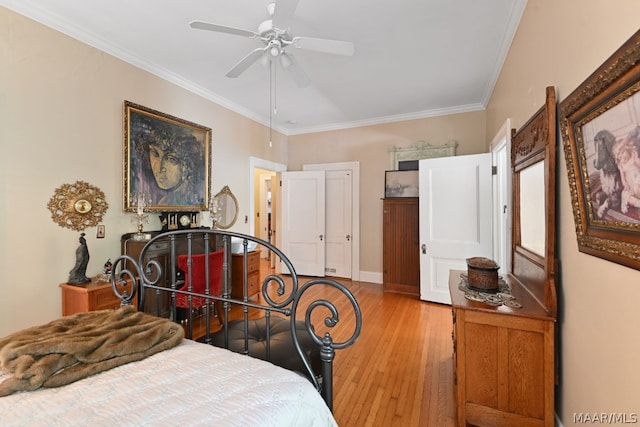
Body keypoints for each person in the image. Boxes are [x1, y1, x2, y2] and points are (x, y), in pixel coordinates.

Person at [135, 124, 205, 206]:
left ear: (187, 166)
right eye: (155, 154)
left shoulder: (191, 200)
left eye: (171, 159)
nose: (160, 168)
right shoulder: (165, 202)